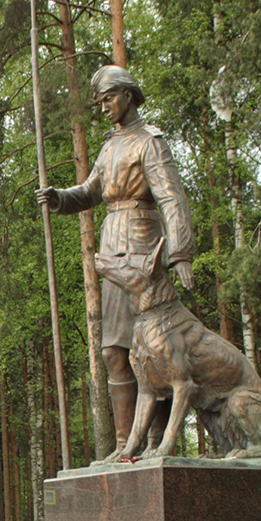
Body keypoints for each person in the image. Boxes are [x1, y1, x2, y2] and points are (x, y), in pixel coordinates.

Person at [36, 64, 195, 454]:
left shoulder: (150, 142)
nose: (104, 107)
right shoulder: (110, 146)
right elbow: (92, 191)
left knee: (154, 348)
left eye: (108, 98)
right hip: (112, 245)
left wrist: (179, 253)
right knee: (113, 351)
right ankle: (126, 443)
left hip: (144, 243)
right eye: (99, 102)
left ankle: (157, 443)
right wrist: (60, 198)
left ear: (128, 95)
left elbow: (172, 197)